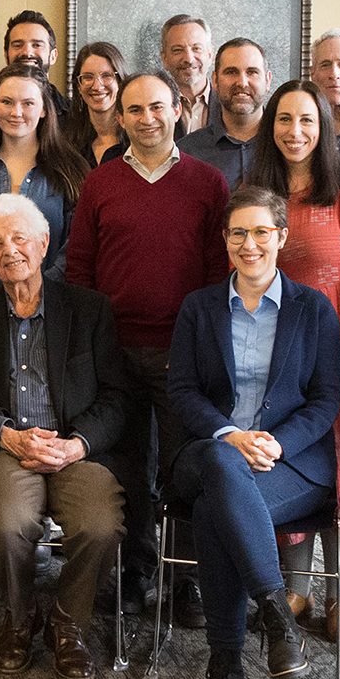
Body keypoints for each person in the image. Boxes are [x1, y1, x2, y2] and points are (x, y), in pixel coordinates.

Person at [167, 186, 340, 679]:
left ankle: (226, 669)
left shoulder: (313, 308)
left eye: (261, 232)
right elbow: (182, 390)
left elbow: (327, 398)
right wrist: (230, 433)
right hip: (208, 453)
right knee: (223, 468)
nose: (250, 244)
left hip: (290, 464)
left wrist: (277, 441)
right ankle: (274, 612)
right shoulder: (199, 308)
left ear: (282, 237)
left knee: (215, 514)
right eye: (238, 233)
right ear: (225, 240)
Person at [0, 194, 125, 679]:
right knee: (8, 523)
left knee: (100, 525)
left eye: (20, 238)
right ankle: (20, 619)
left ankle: (68, 622)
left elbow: (118, 399)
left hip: (75, 450)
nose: (9, 251)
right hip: (5, 451)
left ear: (44, 244)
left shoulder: (90, 312)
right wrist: (6, 435)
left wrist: (76, 444)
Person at [65, 68, 229, 621]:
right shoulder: (101, 183)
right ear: (121, 117)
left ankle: (187, 582)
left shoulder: (208, 183)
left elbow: (216, 273)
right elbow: (81, 267)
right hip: (115, 352)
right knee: (128, 468)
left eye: (157, 107)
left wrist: (206, 345)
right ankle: (136, 573)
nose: (146, 119)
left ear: (178, 110)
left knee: (186, 468)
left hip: (182, 353)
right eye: (134, 110)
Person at [245, 80, 340, 640]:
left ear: (326, 126)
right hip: (277, 356)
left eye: (307, 120)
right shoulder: (257, 189)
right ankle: (297, 589)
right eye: (284, 120)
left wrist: (339, 341)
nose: (295, 131)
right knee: (290, 458)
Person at [0, 61, 86, 291]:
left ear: (44, 109)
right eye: (6, 102)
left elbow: (76, 245)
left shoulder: (71, 170)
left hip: (52, 303)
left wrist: (38, 293)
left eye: (28, 103)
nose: (16, 112)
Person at [178, 38, 272, 187]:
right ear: (215, 80)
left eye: (252, 72)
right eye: (231, 72)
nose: (242, 82)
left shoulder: (289, 145)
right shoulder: (186, 153)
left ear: (268, 80)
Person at [0, 10, 68, 142]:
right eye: (18, 45)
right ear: (6, 54)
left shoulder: (74, 118)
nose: (27, 52)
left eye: (36, 45)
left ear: (53, 56)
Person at [62, 40, 127, 168]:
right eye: (88, 77)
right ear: (79, 86)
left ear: (120, 82)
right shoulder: (68, 143)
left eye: (106, 76)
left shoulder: (136, 140)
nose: (97, 86)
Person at [160, 14, 214, 135]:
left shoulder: (230, 103)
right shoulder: (154, 108)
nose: (189, 59)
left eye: (196, 48)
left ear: (210, 55)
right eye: (178, 50)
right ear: (164, 59)